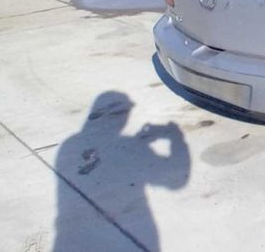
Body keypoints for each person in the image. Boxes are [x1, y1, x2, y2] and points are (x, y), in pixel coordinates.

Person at [53, 92, 189, 252]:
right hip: (129, 235)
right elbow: (176, 182)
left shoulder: (70, 145)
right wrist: (176, 139)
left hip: (70, 240)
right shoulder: (131, 147)